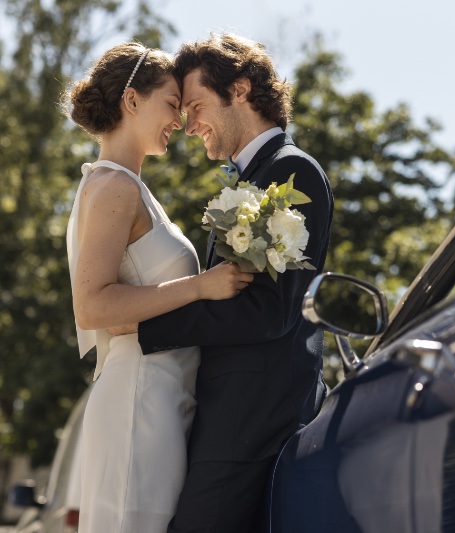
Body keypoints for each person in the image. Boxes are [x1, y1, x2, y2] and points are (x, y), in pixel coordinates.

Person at [132, 33, 333, 532]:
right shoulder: (256, 177)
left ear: (240, 89)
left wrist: (140, 325)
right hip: (232, 415)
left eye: (196, 105)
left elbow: (267, 312)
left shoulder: (290, 172)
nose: (188, 125)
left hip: (251, 417)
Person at [63, 43, 254, 532]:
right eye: (172, 104)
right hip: (136, 407)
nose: (181, 121)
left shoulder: (131, 187)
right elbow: (92, 306)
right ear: (132, 100)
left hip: (161, 404)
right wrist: (200, 287)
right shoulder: (114, 187)